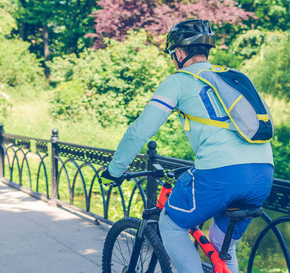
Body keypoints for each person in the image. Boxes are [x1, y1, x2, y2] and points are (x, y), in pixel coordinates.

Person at [101, 19, 274, 273]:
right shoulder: (233, 77)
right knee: (221, 247)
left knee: (170, 224)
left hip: (220, 174)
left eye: (173, 54)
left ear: (179, 53)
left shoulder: (178, 81)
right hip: (263, 174)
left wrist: (114, 170)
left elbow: (140, 131)